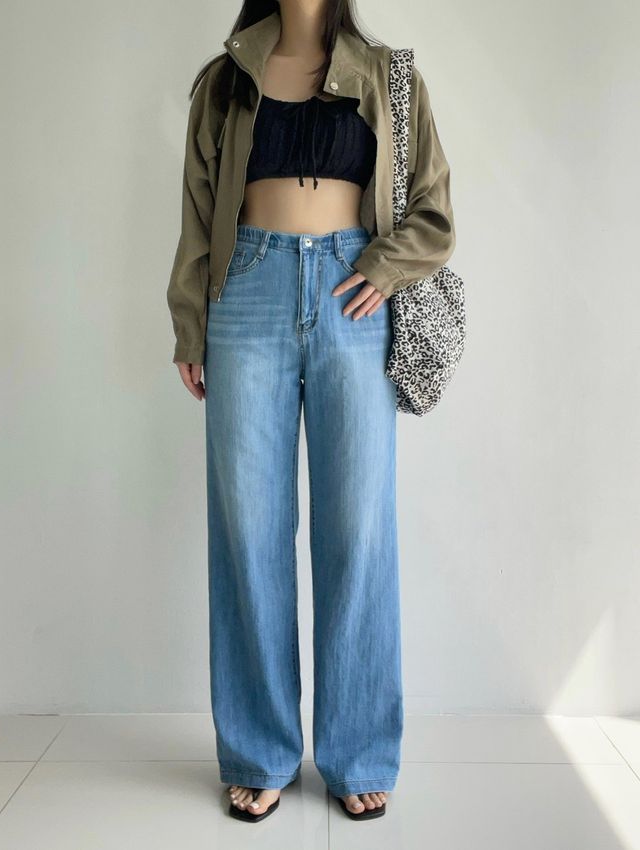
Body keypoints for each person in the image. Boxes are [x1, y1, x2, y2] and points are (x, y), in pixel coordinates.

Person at [166, 0, 456, 822]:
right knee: (248, 529)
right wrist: (190, 323)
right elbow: (197, 211)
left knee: (357, 529)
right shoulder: (224, 81)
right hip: (246, 294)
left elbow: (433, 210)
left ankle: (357, 750)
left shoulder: (392, 77)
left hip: (352, 296)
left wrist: (383, 267)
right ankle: (259, 750)